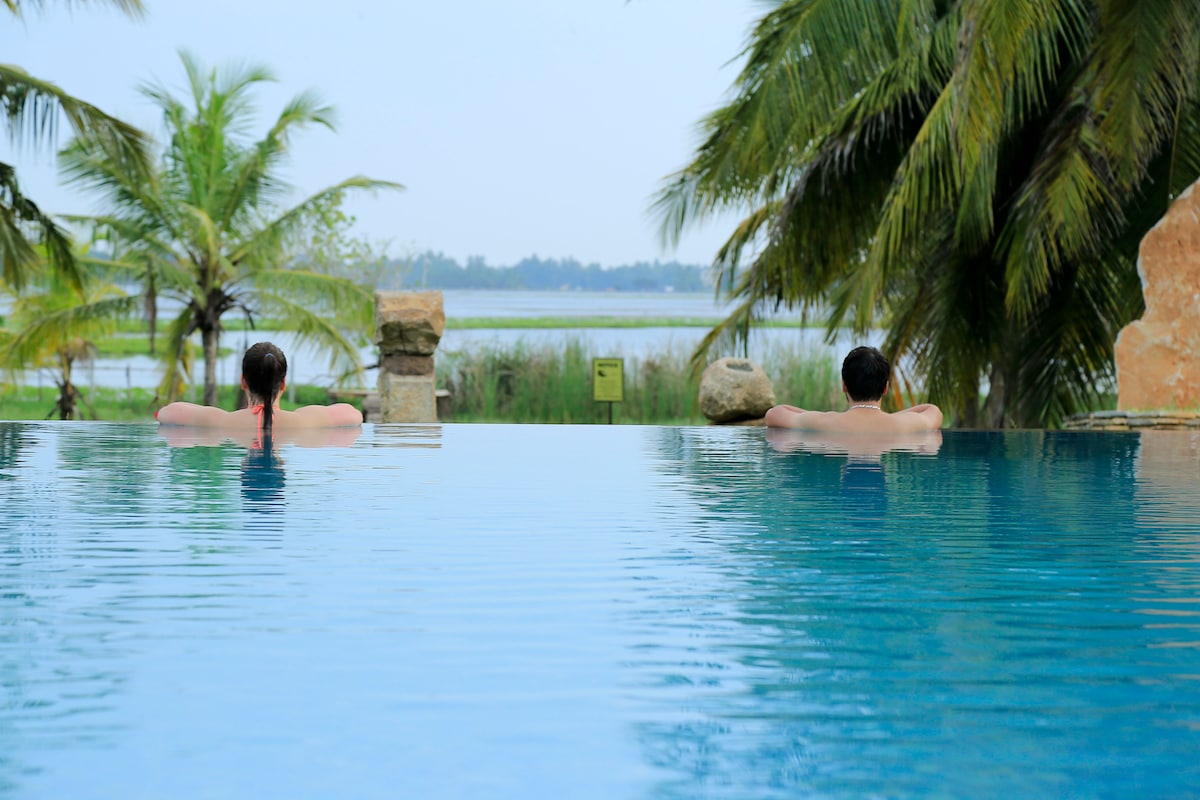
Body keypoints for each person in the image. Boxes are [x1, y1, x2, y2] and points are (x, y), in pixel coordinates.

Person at [155, 341, 363, 429]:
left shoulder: (221, 422)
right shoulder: (305, 421)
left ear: (243, 381)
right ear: (283, 384)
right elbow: (354, 414)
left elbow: (167, 412)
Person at [764, 346, 943, 433]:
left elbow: (774, 414)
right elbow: (932, 411)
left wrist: (820, 416)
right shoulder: (905, 425)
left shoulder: (823, 423)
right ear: (885, 388)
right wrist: (889, 418)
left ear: (844, 385)